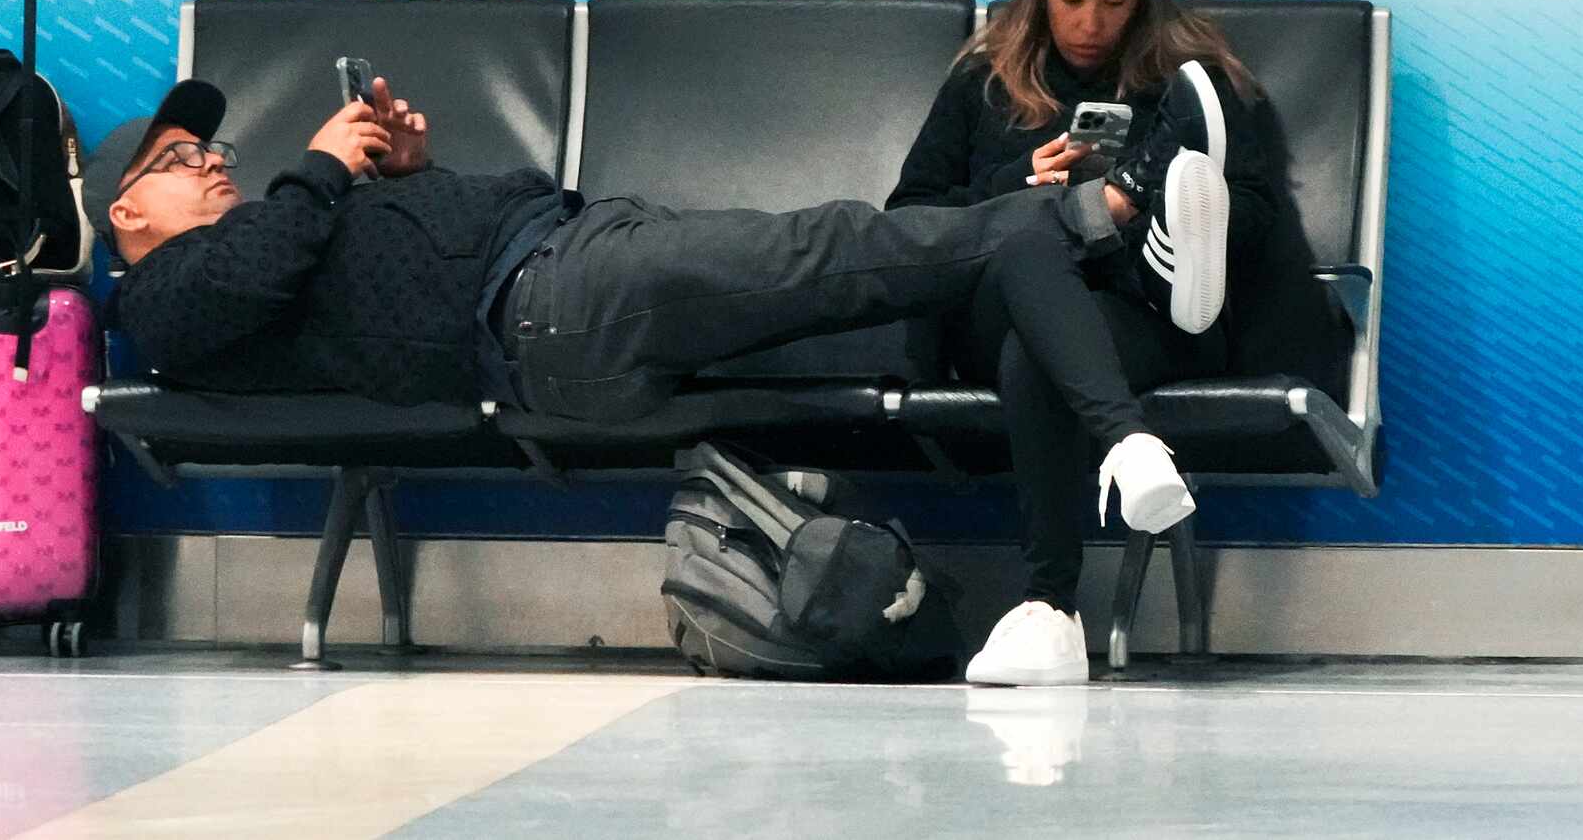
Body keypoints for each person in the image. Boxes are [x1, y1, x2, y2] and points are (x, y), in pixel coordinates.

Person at [83, 70, 1229, 550]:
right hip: (558, 307)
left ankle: (1118, 262)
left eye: (210, 147)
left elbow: (360, 278)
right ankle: (1109, 209)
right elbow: (253, 275)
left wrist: (404, 176)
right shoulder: (169, 293)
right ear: (127, 215)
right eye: (185, 159)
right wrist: (324, 167)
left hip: (570, 271)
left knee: (847, 294)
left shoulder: (267, 232)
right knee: (826, 247)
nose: (214, 163)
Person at [890, 0, 1350, 687]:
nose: (1090, 23)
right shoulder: (982, 78)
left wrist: (1143, 209)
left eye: (1112, 3)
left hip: (1134, 310)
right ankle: (1130, 435)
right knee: (1033, 231)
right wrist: (1015, 187)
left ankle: (1049, 611)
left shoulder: (1193, 82)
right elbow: (910, 218)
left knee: (1044, 348)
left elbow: (1257, 214)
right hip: (989, 307)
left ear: (1143, 3)